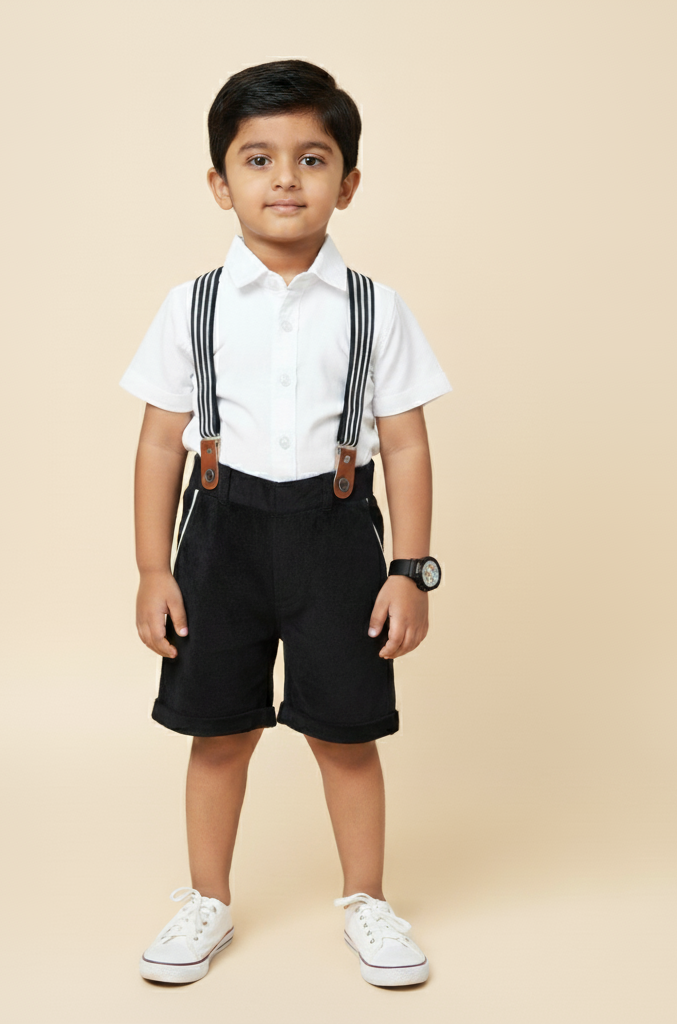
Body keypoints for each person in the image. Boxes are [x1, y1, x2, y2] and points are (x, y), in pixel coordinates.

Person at [119, 59, 451, 987]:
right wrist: (153, 569)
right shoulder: (191, 306)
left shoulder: (376, 309)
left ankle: (367, 900)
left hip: (335, 534)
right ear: (220, 183)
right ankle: (207, 899)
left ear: (348, 182)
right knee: (218, 731)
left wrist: (410, 571)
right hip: (220, 536)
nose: (285, 179)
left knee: (346, 733)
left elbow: (407, 447)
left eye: (312, 159)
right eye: (258, 159)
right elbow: (159, 445)